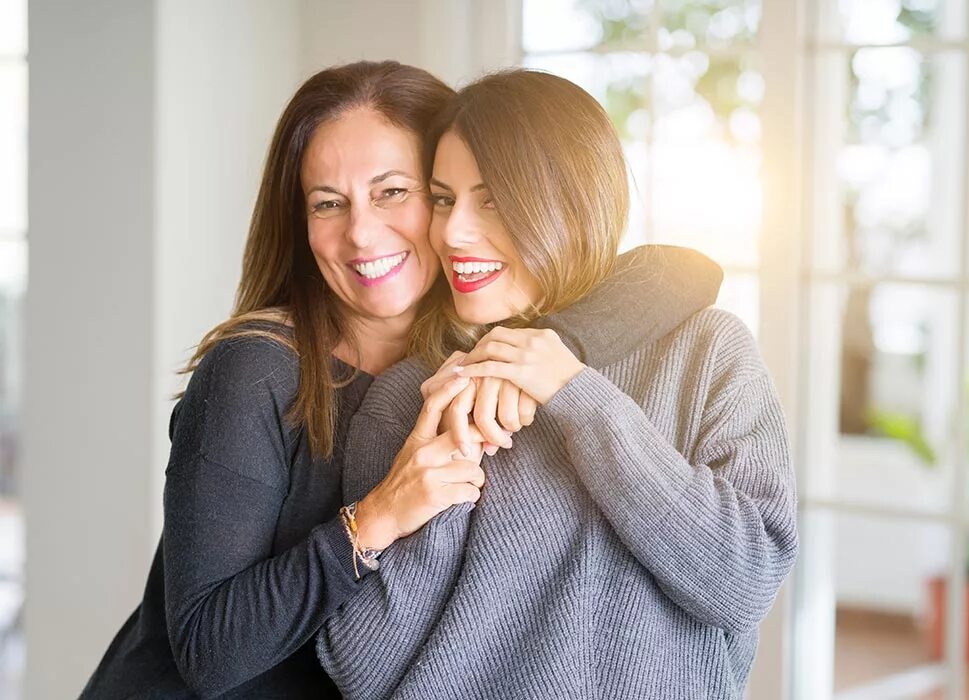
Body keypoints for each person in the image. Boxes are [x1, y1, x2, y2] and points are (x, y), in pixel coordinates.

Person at [80, 62, 723, 698]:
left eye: (393, 192)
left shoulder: (477, 345)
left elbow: (683, 272)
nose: (360, 233)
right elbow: (208, 652)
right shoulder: (255, 370)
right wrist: (376, 518)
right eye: (328, 203)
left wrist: (556, 346)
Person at [317, 69, 798, 700]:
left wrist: (577, 395)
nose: (453, 232)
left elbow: (743, 582)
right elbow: (360, 667)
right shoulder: (417, 396)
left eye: (491, 199)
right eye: (442, 198)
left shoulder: (706, 352)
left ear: (573, 203)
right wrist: (453, 465)